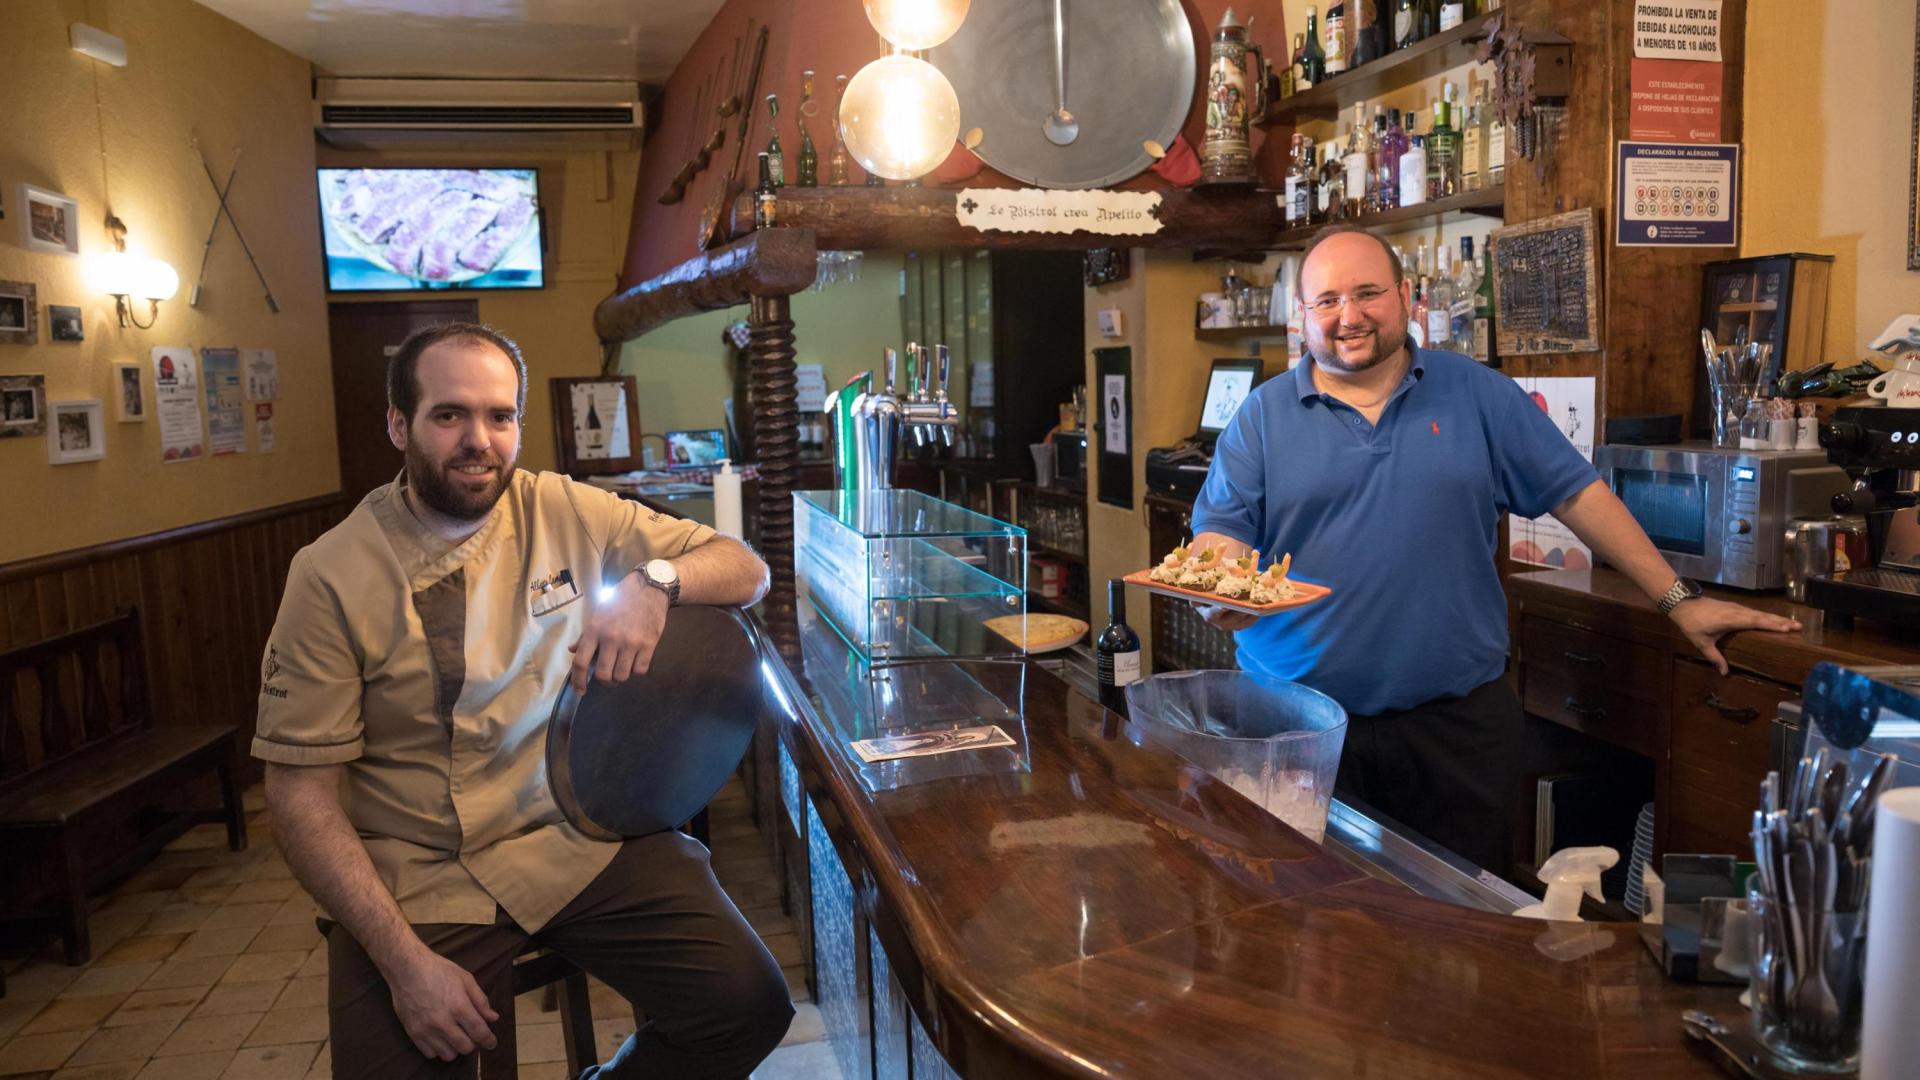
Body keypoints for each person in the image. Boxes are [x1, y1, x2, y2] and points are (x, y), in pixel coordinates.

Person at [255, 323, 792, 1078]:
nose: (479, 439)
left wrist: (655, 582)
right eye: (450, 415)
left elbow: (742, 567)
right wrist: (405, 966)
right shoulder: (329, 575)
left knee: (746, 1006)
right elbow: (298, 796)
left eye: (499, 416)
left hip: (572, 836)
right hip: (420, 872)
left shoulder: (564, 509)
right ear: (398, 424)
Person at [1189, 226, 1798, 872]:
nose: (1350, 316)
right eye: (1329, 300)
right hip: (1296, 727)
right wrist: (1217, 586)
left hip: (1456, 729)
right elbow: (1220, 533)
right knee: (1306, 923)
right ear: (1303, 315)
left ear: (1403, 295)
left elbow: (1579, 496)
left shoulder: (1476, 394)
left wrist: (1678, 600)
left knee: (1456, 934)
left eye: (1368, 293)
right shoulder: (1261, 417)